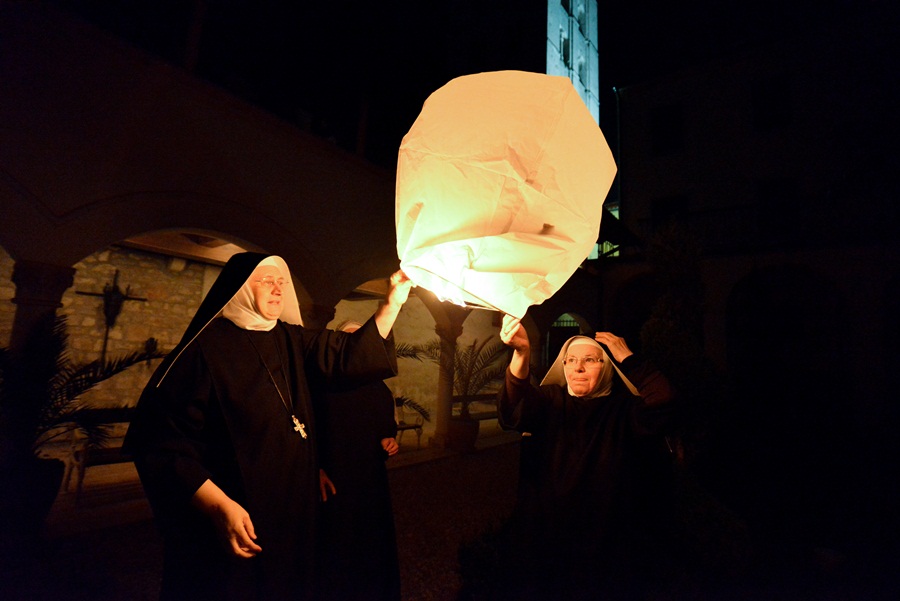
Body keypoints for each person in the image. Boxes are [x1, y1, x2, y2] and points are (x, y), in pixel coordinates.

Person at [123, 253, 411, 601]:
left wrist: (392, 302)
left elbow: (345, 354)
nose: (277, 290)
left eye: (281, 283)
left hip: (294, 506)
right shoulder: (204, 350)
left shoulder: (291, 339)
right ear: (241, 289)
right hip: (238, 507)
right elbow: (160, 443)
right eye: (266, 281)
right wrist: (217, 505)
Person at [492, 315, 679, 601]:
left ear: (608, 367)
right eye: (570, 360)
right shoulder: (549, 400)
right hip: (549, 534)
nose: (578, 367)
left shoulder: (625, 409)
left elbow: (664, 401)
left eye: (590, 360)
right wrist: (521, 353)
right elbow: (512, 410)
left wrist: (628, 358)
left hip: (607, 538)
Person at [314, 320, 402, 601]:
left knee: (371, 544)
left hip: (369, 479)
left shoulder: (379, 389)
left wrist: (388, 441)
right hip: (334, 479)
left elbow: (386, 427)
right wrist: (315, 469)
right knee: (336, 546)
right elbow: (308, 433)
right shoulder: (322, 386)